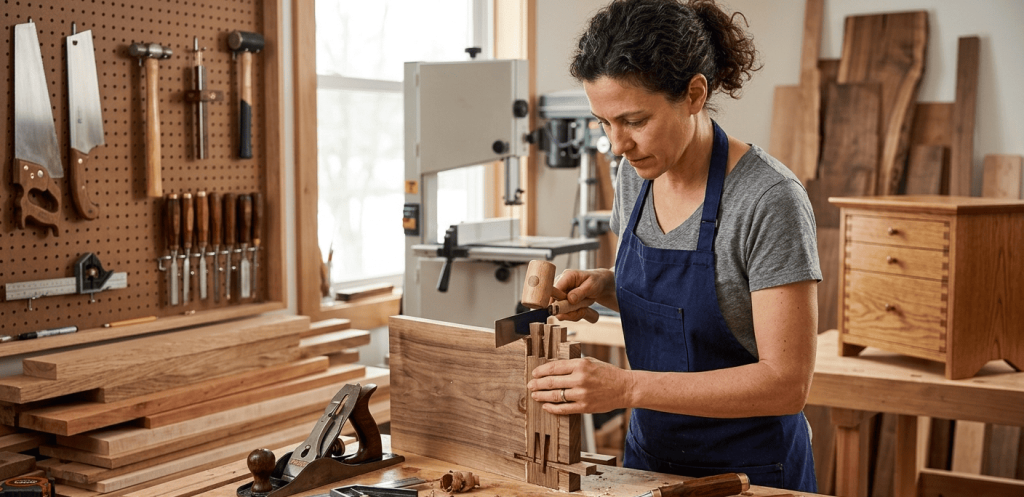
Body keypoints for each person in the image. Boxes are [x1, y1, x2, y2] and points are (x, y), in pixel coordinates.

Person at [525, 0, 821, 492]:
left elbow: (786, 383)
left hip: (750, 472)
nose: (617, 144)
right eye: (604, 122)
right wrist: (607, 286)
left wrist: (625, 387)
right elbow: (697, 306)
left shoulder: (768, 200)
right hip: (649, 461)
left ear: (694, 94)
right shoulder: (633, 176)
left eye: (635, 120)